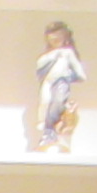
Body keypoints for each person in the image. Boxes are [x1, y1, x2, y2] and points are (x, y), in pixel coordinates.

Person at [35, 23, 86, 151]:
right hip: (47, 83)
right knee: (45, 104)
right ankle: (48, 131)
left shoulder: (68, 53)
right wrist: (53, 55)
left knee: (57, 104)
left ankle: (53, 131)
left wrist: (69, 76)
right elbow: (39, 64)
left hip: (60, 82)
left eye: (57, 39)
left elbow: (81, 74)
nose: (54, 42)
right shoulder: (50, 54)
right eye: (51, 40)